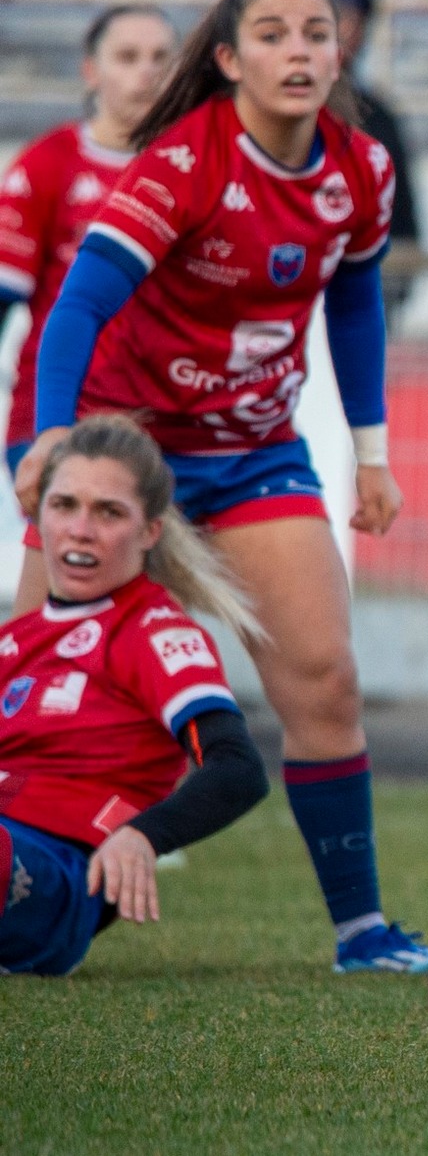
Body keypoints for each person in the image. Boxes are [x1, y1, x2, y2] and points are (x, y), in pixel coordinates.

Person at [13, 0, 428, 974]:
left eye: (316, 33)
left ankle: (361, 933)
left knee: (325, 679)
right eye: (274, 34)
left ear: (341, 52)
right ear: (228, 58)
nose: (299, 51)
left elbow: (354, 303)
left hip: (253, 455)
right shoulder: (177, 164)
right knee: (29, 679)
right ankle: (25, 886)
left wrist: (371, 456)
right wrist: (50, 442)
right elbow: (72, 307)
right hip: (131, 454)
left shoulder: (361, 168)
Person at [0, 415, 269, 975]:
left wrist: (145, 835)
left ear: (149, 531)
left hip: (57, 878)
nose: (80, 529)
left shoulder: (153, 632)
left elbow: (238, 767)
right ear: (38, 516)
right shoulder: (16, 639)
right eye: (65, 504)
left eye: (109, 512)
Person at [0, 5, 176, 479]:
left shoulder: (198, 169)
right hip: (58, 418)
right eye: (128, 57)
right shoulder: (48, 162)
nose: (147, 72)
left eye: (162, 58)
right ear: (91, 71)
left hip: (174, 424)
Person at [287, 0, 424, 315]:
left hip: (350, 310)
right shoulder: (238, 114)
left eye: (353, 16)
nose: (348, 29)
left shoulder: (377, 120)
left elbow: (405, 233)